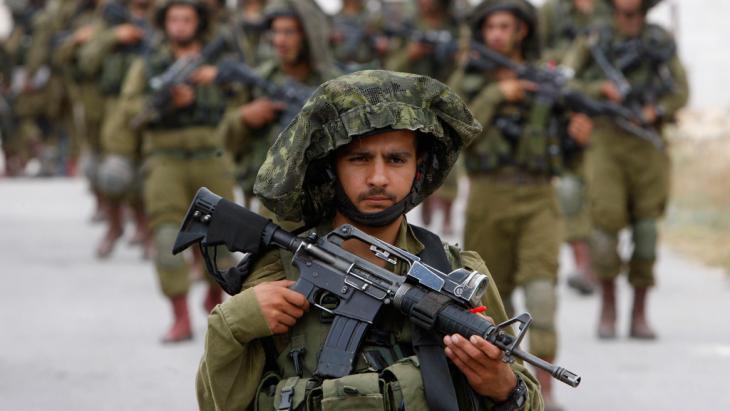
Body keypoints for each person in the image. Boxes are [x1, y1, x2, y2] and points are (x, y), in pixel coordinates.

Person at [196, 70, 543, 410]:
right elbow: (217, 403)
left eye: (396, 159)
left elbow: (526, 396)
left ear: (417, 169)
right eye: (359, 159)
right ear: (332, 168)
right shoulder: (280, 270)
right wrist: (233, 323)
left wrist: (503, 389)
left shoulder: (453, 271)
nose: (378, 178)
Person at [449, 0, 593, 408]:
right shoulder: (471, 78)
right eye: (490, 26)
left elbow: (566, 150)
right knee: (493, 300)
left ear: (522, 31)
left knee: (542, 291)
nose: (497, 33)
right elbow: (457, 131)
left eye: (505, 26)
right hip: (487, 196)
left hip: (538, 194)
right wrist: (498, 93)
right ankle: (510, 388)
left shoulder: (546, 79)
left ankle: (545, 393)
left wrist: (578, 138)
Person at [562, 0, 689, 340]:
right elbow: (566, 81)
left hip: (648, 145)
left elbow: (681, 91)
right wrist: (598, 91)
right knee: (604, 229)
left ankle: (639, 312)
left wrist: (654, 110)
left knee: (647, 231)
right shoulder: (594, 38)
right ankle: (608, 306)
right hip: (605, 142)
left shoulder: (659, 39)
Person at [113, 0, 235, 343]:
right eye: (174, 19)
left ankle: (217, 301)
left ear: (198, 23)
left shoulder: (219, 61)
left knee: (222, 237)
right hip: (165, 156)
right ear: (164, 23)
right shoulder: (150, 63)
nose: (180, 25)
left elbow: (243, 99)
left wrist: (218, 80)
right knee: (167, 237)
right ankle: (179, 316)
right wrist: (165, 104)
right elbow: (129, 108)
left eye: (187, 18)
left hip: (211, 153)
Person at [216, 0, 339, 208]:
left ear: (308, 35)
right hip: (262, 200)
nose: (280, 40)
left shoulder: (333, 84)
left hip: (320, 201)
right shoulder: (259, 79)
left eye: (289, 32)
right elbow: (223, 139)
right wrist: (244, 118)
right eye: (276, 32)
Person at [539, 0, 611, 295]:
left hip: (610, 120)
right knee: (569, 189)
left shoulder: (613, 11)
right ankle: (584, 264)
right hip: (567, 110)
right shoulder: (551, 13)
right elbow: (539, 58)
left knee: (603, 195)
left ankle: (604, 263)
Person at [78, 0, 156, 259]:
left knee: (148, 172)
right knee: (113, 171)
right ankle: (114, 227)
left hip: (153, 104)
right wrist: (114, 36)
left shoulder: (168, 16)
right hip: (113, 107)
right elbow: (87, 61)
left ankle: (147, 231)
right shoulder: (110, 19)